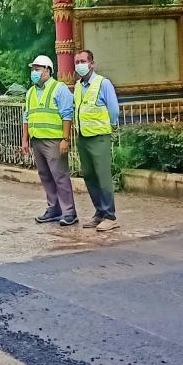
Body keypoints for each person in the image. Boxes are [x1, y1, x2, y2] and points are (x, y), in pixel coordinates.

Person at [21, 55, 77, 227]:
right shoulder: (30, 92)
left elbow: (67, 115)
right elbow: (27, 116)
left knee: (60, 176)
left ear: (47, 70)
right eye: (33, 69)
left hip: (54, 140)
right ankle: (54, 209)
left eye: (37, 69)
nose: (34, 72)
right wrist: (25, 139)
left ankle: (69, 212)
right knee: (45, 176)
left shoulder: (59, 88)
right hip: (37, 140)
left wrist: (65, 139)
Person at [73, 49, 121, 231]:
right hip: (83, 137)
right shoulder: (78, 86)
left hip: (99, 137)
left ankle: (110, 216)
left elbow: (113, 109)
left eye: (83, 61)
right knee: (89, 176)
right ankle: (100, 212)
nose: (80, 65)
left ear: (91, 64)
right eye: (77, 62)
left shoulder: (103, 83)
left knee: (103, 176)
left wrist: (112, 126)